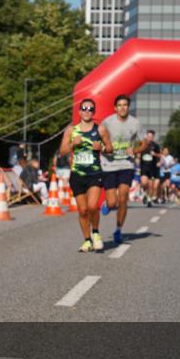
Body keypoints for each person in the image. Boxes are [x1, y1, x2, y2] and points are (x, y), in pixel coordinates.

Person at [59, 98, 113, 252]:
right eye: (84, 108)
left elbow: (110, 149)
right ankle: (87, 240)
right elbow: (62, 152)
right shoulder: (71, 131)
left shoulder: (100, 129)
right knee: (82, 210)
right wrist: (72, 144)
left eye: (90, 109)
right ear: (79, 111)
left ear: (94, 112)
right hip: (77, 174)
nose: (87, 111)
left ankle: (96, 232)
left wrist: (101, 147)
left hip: (94, 173)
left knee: (92, 206)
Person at [100, 94, 146, 245]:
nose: (122, 107)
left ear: (128, 107)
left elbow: (144, 143)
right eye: (119, 105)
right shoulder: (107, 122)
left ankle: (118, 230)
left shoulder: (135, 123)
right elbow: (97, 140)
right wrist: (104, 148)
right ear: (115, 108)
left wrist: (136, 150)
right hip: (108, 164)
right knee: (113, 202)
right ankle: (107, 204)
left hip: (126, 164)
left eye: (125, 105)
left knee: (123, 197)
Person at [138, 130, 161, 207]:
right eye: (148, 136)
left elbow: (160, 155)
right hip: (144, 167)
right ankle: (144, 193)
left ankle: (148, 199)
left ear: (153, 137)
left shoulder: (156, 145)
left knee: (151, 185)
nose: (150, 138)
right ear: (146, 136)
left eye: (151, 136)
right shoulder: (141, 144)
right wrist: (137, 157)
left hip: (152, 168)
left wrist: (155, 155)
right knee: (144, 183)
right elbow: (136, 151)